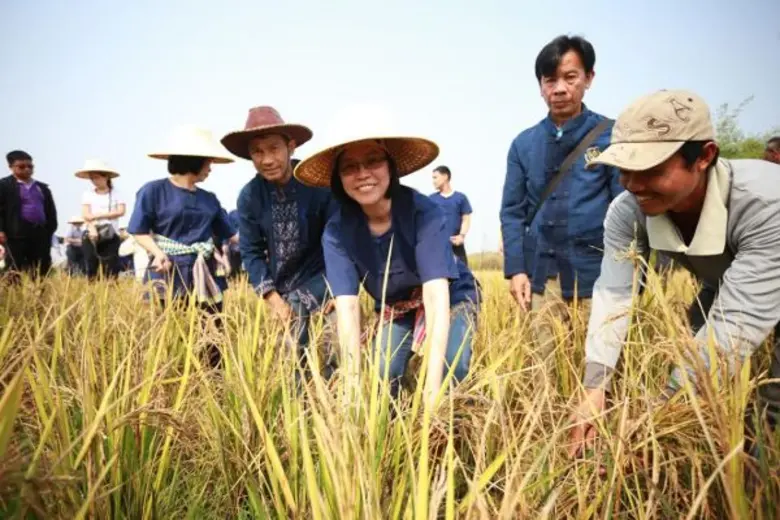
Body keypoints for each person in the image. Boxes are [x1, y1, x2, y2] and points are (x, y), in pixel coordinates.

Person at [568, 89, 780, 458]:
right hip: (724, 282)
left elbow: (735, 325)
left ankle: (758, 485)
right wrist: (594, 387)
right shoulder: (629, 210)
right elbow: (614, 294)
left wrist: (657, 420)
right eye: (624, 169)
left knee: (772, 404)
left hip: (757, 282)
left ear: (705, 156)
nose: (632, 184)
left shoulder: (765, 203)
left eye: (650, 169)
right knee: (693, 344)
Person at [294, 133, 481, 409]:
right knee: (383, 371)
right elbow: (347, 309)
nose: (363, 174)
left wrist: (432, 393)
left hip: (450, 296)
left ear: (390, 166)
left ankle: (447, 431)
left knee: (449, 366)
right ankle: (395, 424)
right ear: (338, 178)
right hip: (397, 305)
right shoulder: (336, 232)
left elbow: (434, 296)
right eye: (349, 167)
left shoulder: (424, 213)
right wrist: (352, 386)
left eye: (373, 161)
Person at [499, 34, 622, 365]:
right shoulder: (523, 144)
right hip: (543, 277)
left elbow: (626, 207)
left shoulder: (612, 135)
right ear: (540, 85)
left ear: (589, 78)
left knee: (601, 370)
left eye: (570, 77)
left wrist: (627, 275)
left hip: (598, 276)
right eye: (550, 80)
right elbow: (512, 213)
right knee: (546, 371)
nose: (560, 88)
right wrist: (516, 270)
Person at [223, 106, 335, 376]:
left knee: (340, 347)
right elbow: (251, 252)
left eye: (274, 148)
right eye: (257, 152)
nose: (266, 159)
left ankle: (341, 408)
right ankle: (299, 411)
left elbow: (338, 238)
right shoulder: (249, 197)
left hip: (326, 279)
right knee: (292, 358)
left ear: (291, 147)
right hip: (283, 288)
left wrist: (340, 287)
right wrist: (273, 299)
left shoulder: (318, 183)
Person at [127, 125, 238, 368]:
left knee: (210, 330)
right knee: (172, 331)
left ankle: (213, 380)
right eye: (208, 162)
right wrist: (157, 253)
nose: (210, 168)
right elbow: (138, 230)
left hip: (204, 273)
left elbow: (230, 234)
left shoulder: (209, 198)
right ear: (194, 160)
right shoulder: (153, 191)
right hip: (169, 270)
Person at [0, 150, 58, 280]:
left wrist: (49, 230)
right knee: (14, 268)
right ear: (11, 167)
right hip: (15, 234)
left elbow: (51, 211)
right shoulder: (4, 186)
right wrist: (1, 230)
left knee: (41, 268)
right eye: (21, 167)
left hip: (40, 233)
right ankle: (14, 297)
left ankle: (40, 296)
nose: (27, 169)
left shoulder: (42, 188)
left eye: (30, 166)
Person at [76, 159, 126, 279]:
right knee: (91, 266)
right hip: (91, 233)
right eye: (92, 178)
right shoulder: (87, 194)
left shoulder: (117, 193)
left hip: (111, 234)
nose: (94, 181)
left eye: (97, 177)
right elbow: (86, 215)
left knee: (111, 268)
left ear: (106, 177)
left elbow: (121, 211)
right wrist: (92, 227)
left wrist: (99, 215)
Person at [429, 165, 473, 267]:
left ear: (445, 177)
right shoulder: (431, 199)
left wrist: (461, 236)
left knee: (462, 278)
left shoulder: (460, 198)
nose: (433, 181)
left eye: (435, 177)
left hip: (457, 247)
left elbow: (466, 219)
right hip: (438, 248)